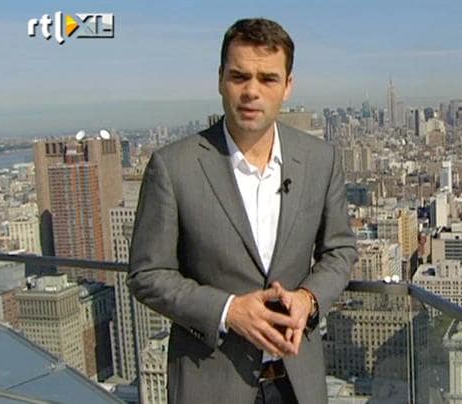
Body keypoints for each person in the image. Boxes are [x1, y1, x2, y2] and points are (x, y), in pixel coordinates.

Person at [127, 18, 357, 404]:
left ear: (287, 86)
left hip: (297, 383)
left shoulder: (320, 160)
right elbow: (147, 274)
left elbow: (340, 250)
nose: (252, 91)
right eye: (239, 76)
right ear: (220, 79)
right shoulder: (173, 167)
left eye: (268, 79)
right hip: (211, 384)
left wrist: (309, 299)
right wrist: (227, 311)